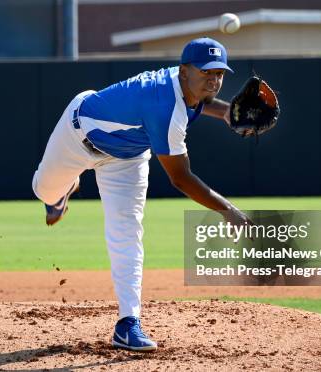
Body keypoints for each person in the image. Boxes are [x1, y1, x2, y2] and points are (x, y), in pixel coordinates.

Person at [32, 38, 254, 352]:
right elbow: (180, 178)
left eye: (219, 72)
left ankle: (128, 323)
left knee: (127, 234)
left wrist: (228, 112)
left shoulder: (183, 85)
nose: (214, 79)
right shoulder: (164, 108)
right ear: (184, 70)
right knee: (43, 188)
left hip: (128, 157)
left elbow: (197, 100)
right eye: (206, 72)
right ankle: (60, 193)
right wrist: (227, 210)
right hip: (79, 134)